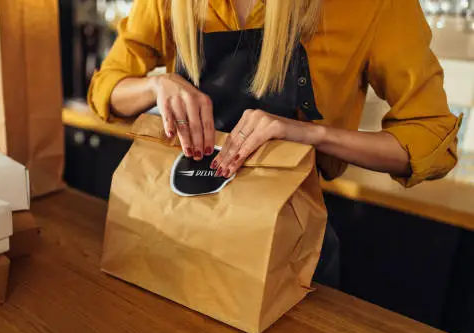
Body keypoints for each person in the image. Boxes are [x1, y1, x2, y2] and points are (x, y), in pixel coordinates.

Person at [88, 0, 461, 288]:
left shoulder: (370, 6)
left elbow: (432, 139)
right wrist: (156, 86)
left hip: (286, 255)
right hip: (179, 234)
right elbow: (106, 89)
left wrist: (312, 135)